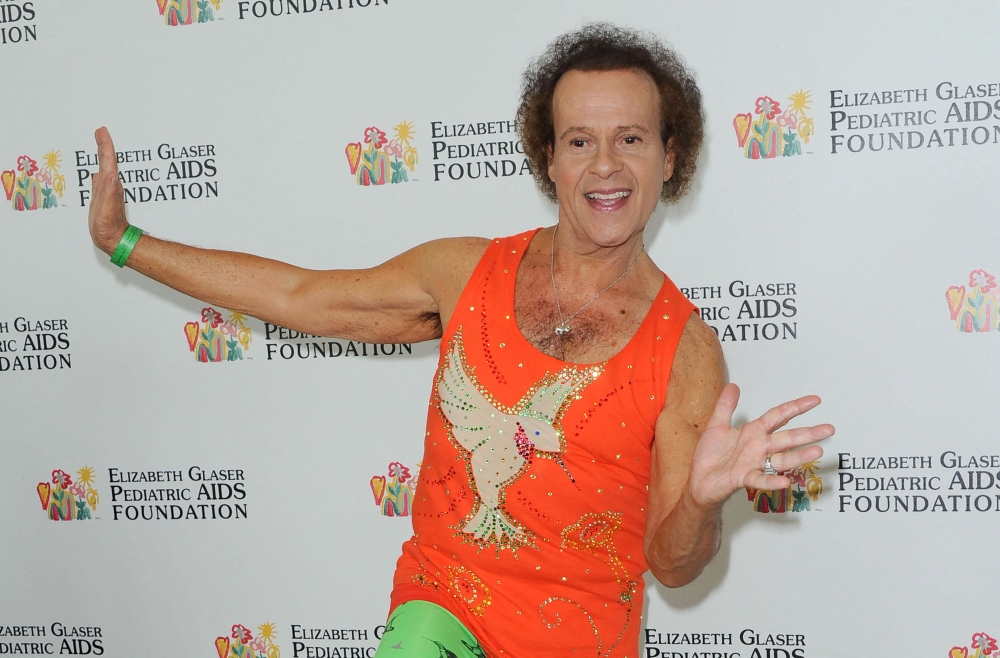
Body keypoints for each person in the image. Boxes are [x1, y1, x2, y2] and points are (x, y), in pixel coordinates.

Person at [88, 23, 833, 658]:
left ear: (670, 159)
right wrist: (127, 243)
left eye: (630, 139)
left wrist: (702, 502)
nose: (605, 165)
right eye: (580, 141)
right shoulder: (464, 272)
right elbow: (299, 296)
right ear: (549, 159)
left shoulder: (689, 352)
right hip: (443, 608)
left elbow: (673, 566)